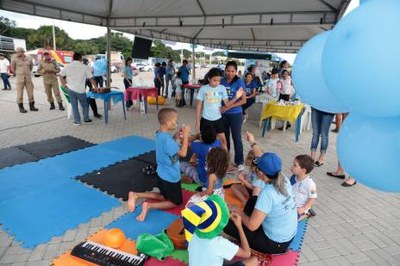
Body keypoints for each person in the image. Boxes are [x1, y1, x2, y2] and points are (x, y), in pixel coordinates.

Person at [224, 132, 297, 254]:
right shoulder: (282, 177)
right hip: (289, 235)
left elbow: (252, 226)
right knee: (253, 200)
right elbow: (261, 155)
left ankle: (250, 245)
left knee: (226, 224)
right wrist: (252, 141)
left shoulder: (267, 194)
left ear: (261, 173)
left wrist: (238, 210)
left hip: (275, 244)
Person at [127, 108, 191, 222]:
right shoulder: (168, 141)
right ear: (168, 123)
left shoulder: (159, 134)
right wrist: (186, 135)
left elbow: (166, 145)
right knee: (176, 202)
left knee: (163, 196)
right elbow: (183, 153)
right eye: (175, 120)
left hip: (161, 173)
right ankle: (149, 206)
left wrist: (175, 137)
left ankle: (136, 195)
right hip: (171, 177)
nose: (176, 123)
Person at [183, 195, 258, 266]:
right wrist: (239, 226)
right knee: (254, 261)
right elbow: (247, 253)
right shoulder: (219, 243)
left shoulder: (192, 232)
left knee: (225, 258)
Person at [195, 67, 243, 152]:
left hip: (218, 119)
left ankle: (225, 163)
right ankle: (204, 161)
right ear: (209, 79)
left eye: (219, 80)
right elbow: (199, 106)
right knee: (203, 141)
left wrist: (236, 97)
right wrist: (197, 122)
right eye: (214, 80)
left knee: (223, 141)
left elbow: (227, 104)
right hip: (206, 119)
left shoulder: (222, 88)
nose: (217, 83)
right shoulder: (203, 89)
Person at [221, 61, 247, 169]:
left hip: (236, 114)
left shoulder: (239, 82)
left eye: (232, 71)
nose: (230, 73)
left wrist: (229, 106)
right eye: (228, 71)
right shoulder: (221, 82)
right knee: (224, 139)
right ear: (225, 70)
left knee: (237, 138)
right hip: (222, 115)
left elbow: (243, 100)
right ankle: (226, 160)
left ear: (236, 72)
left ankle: (239, 161)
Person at [59, 52, 97, 125]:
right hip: (80, 90)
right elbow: (91, 78)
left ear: (73, 58)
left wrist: (64, 85)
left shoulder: (68, 66)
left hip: (70, 89)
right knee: (85, 105)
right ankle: (86, 119)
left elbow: (60, 75)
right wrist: (96, 87)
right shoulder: (84, 67)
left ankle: (77, 121)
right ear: (80, 58)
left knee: (74, 106)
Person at [290, 154, 317, 221]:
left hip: (300, 207)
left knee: (292, 220)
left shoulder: (310, 184)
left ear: (303, 170)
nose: (292, 166)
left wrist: (304, 208)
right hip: (291, 203)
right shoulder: (293, 177)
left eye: (295, 165)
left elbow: (313, 198)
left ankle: (307, 213)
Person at [11, 47, 38, 113]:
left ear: (23, 52)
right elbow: (13, 68)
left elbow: (31, 67)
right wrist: (18, 74)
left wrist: (27, 73)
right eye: (16, 52)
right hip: (20, 79)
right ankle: (21, 108)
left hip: (28, 78)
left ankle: (32, 106)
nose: (17, 53)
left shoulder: (29, 58)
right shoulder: (14, 59)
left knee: (31, 93)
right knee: (19, 94)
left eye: (18, 52)